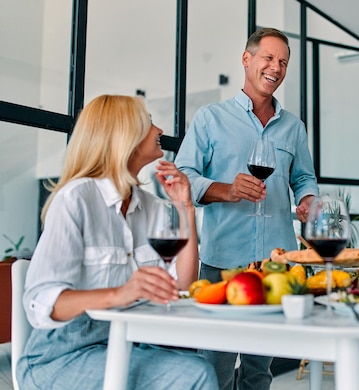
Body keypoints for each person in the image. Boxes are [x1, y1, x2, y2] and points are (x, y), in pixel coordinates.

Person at [16, 95, 218, 389]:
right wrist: (120, 293)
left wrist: (185, 207)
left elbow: (182, 287)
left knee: (195, 365)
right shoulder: (77, 198)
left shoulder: (151, 207)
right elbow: (41, 303)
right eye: (149, 122)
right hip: (60, 358)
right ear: (126, 135)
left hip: (125, 346)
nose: (159, 129)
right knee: (193, 375)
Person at [175, 27, 319, 390]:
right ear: (247, 59)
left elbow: (304, 178)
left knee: (259, 372)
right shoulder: (211, 118)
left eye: (283, 62)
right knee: (214, 369)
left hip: (275, 265)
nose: (276, 67)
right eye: (269, 58)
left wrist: (306, 199)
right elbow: (181, 178)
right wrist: (224, 189)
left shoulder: (293, 127)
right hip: (222, 263)